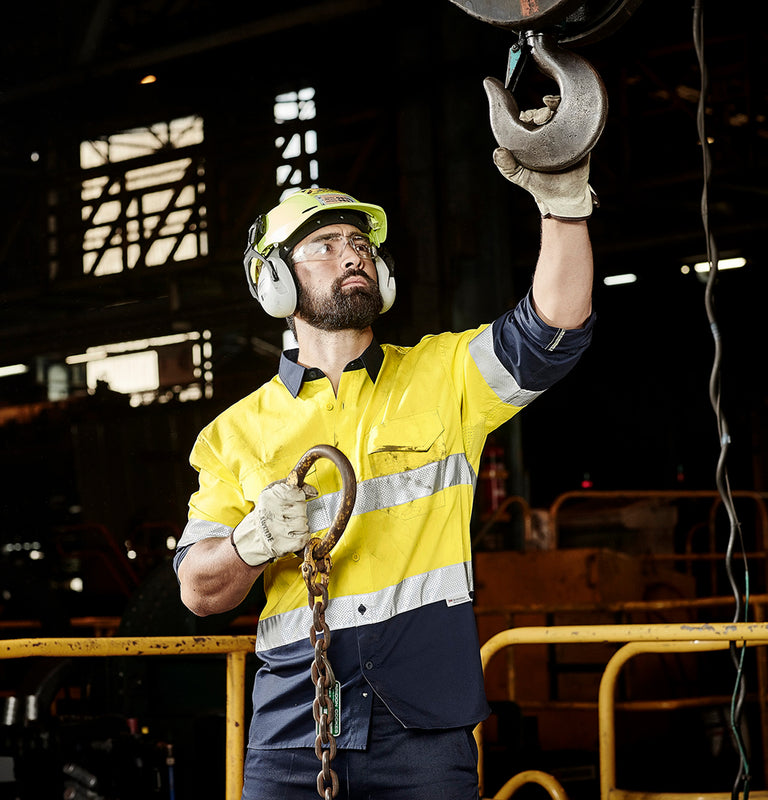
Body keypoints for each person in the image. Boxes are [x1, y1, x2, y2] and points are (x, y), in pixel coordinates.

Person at [174, 107, 597, 799]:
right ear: (274, 282)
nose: (352, 254)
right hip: (292, 734)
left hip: (424, 729)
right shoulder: (233, 433)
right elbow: (200, 590)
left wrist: (563, 205)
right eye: (325, 245)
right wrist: (251, 542)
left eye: (359, 243)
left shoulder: (446, 376)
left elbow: (553, 327)